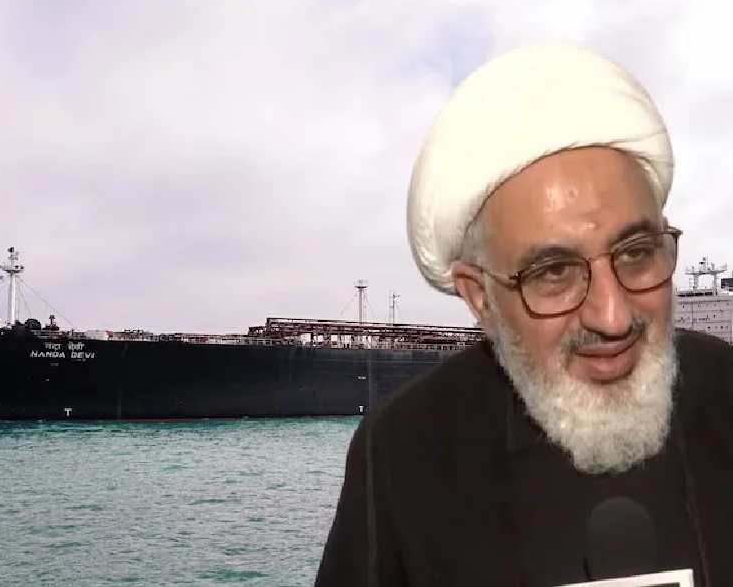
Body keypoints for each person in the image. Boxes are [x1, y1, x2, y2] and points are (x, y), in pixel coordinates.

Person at [313, 42, 733, 587]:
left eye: (636, 253)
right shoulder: (402, 455)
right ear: (479, 297)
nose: (612, 316)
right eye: (554, 272)